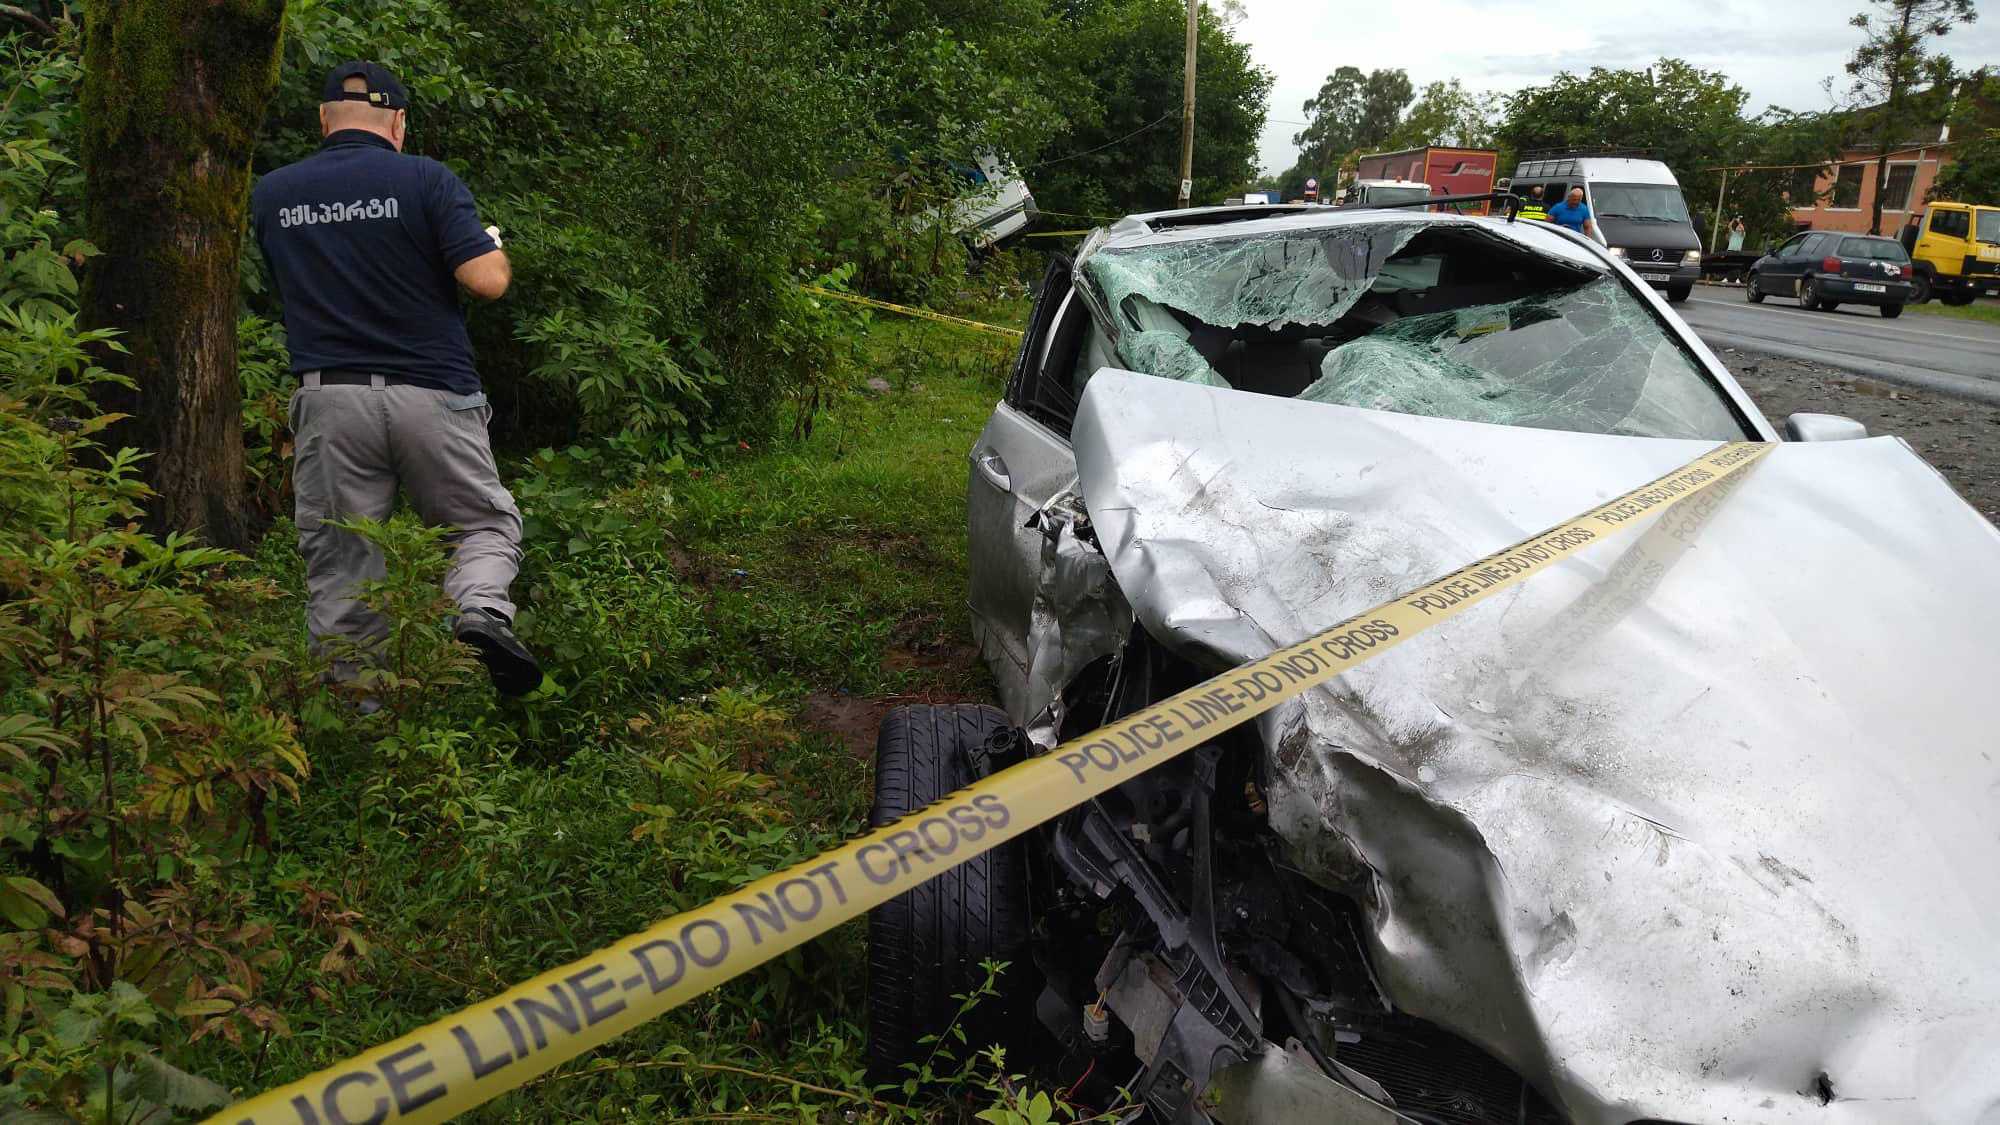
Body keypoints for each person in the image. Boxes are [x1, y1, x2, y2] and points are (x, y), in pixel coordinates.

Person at [251, 62, 543, 697]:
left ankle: (355, 722)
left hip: (330, 398)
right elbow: (486, 281)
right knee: (482, 526)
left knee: (343, 560)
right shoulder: (426, 181)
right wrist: (486, 242)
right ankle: (481, 612)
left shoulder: (272, 193)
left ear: (323, 119)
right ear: (400, 123)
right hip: (433, 395)